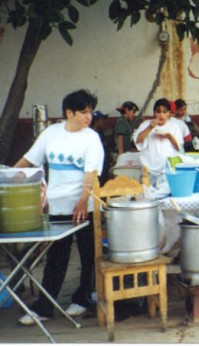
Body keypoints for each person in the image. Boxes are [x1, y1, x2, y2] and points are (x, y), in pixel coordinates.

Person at [14, 89, 105, 325]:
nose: (88, 117)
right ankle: (44, 307)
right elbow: (29, 159)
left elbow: (91, 173)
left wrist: (83, 201)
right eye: (84, 112)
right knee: (56, 256)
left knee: (88, 255)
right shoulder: (51, 134)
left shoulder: (91, 138)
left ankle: (83, 298)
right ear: (69, 112)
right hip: (57, 206)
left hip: (85, 206)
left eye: (90, 112)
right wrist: (8, 175)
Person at [134, 98, 184, 186]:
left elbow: (179, 148)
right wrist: (150, 128)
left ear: (169, 113)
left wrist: (169, 136)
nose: (161, 115)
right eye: (158, 112)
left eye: (164, 112)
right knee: (148, 194)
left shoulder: (174, 126)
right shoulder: (146, 124)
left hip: (166, 168)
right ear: (154, 113)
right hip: (148, 167)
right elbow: (138, 140)